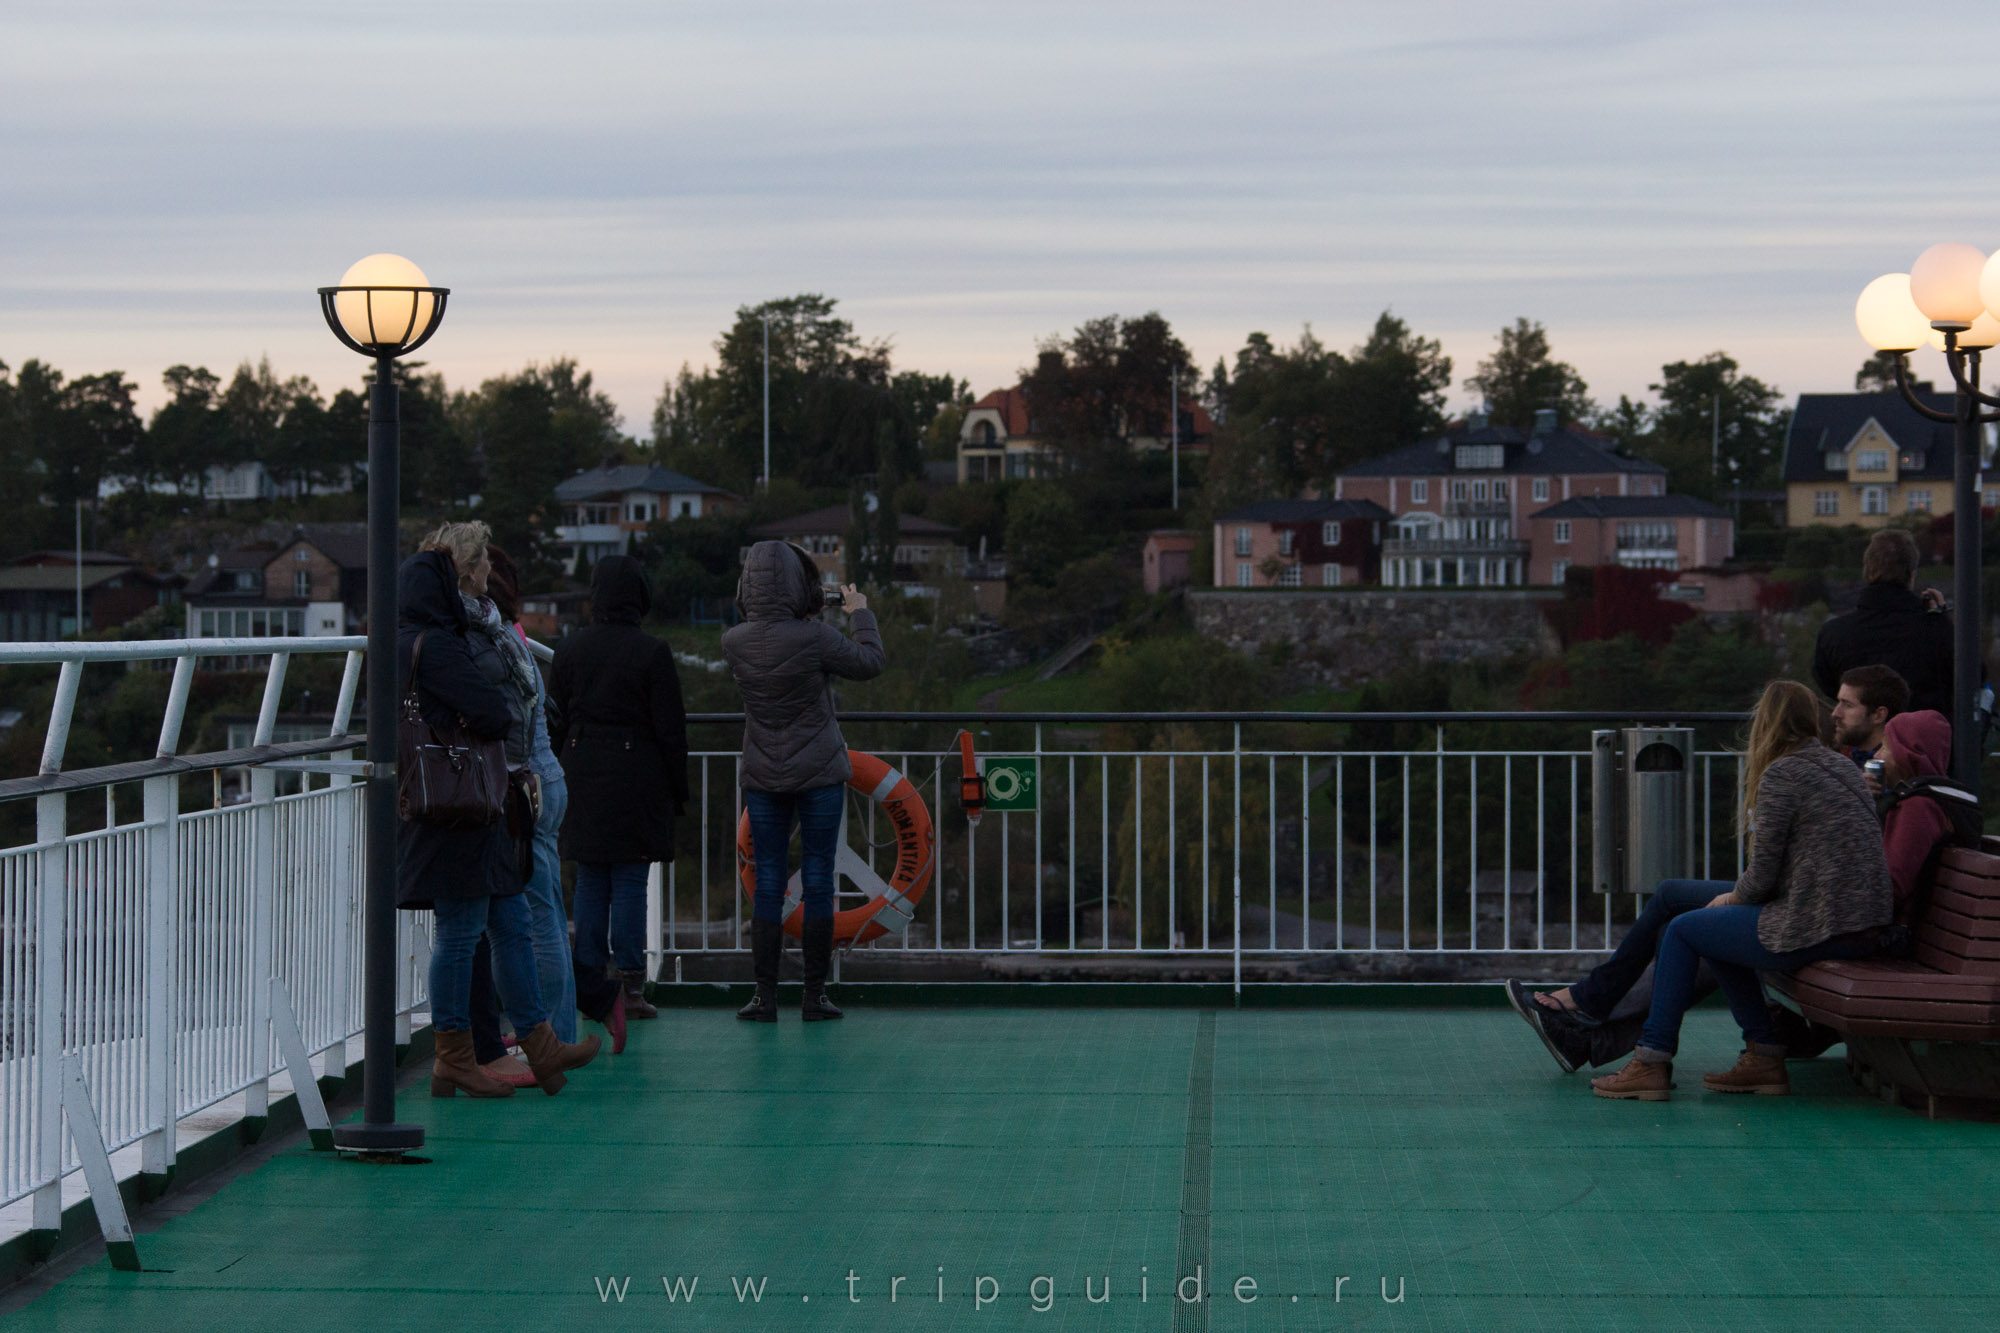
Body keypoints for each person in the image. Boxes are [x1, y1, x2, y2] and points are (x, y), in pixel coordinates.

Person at [1590, 680, 1892, 1101]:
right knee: (1681, 900)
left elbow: (1763, 876)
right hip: (1852, 918)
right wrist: (1733, 901)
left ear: (1765, 723)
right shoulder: (1839, 766)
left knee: (1684, 929)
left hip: (1823, 923)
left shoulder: (1784, 773)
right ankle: (1763, 1055)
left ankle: (1652, 1060)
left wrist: (1732, 898)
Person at [396, 535, 601, 1097]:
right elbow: (492, 709)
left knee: (509, 921)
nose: (492, 566)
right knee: (462, 932)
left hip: (472, 799)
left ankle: (540, 1043)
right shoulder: (438, 645)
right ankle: (454, 1055)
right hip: (460, 804)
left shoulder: (416, 640)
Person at [721, 541, 884, 1022]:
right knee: (817, 879)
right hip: (819, 771)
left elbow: (765, 625)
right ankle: (815, 996)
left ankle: (763, 997)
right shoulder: (815, 639)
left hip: (763, 773)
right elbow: (870, 662)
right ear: (800, 585)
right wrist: (858, 612)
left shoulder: (733, 641)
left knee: (768, 881)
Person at [549, 554, 689, 1030]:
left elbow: (554, 721)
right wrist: (678, 790)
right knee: (630, 879)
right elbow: (671, 730)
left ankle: (591, 984)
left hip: (579, 772)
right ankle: (631, 986)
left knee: (590, 878)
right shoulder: (652, 652)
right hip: (637, 775)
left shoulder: (569, 650)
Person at [1813, 529, 1952, 717]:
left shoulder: (1833, 633)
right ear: (1911, 575)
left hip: (1859, 740)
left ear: (1867, 571)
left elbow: (1828, 685)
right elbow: (1969, 677)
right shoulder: (1936, 630)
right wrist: (1941, 617)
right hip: (1923, 741)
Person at [1830, 664, 1908, 775]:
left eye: (1848, 705)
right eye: (1838, 702)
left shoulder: (1899, 772)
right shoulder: (1841, 762)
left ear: (1878, 715)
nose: (1835, 713)